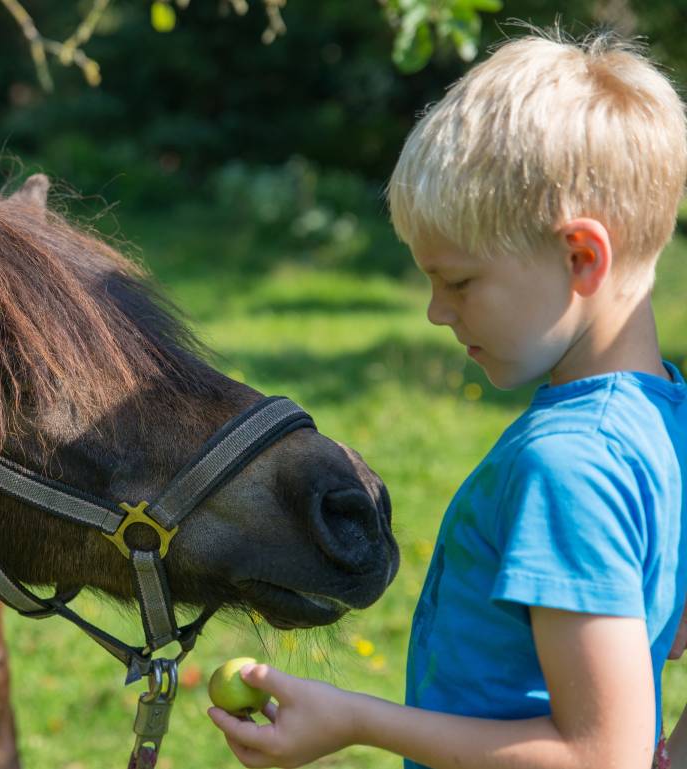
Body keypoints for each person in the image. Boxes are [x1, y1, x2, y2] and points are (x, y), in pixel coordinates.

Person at [208, 29, 687, 769]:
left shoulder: (570, 465)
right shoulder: (666, 420)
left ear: (582, 257)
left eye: (460, 282)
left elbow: (599, 756)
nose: (437, 312)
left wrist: (356, 719)